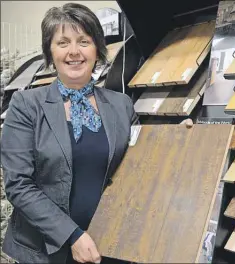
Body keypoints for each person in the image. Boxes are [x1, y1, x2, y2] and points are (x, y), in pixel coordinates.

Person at [1, 2, 193, 263]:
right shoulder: (27, 106)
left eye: (83, 41)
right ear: (50, 50)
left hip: (108, 241)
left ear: (96, 49)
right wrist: (73, 235)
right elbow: (18, 185)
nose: (74, 52)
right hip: (47, 249)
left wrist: (175, 141)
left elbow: (139, 164)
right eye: (63, 42)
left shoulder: (120, 104)